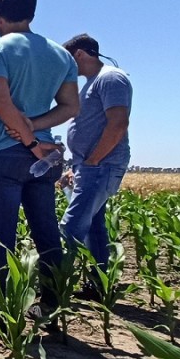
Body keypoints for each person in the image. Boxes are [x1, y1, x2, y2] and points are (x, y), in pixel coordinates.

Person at [0, 0, 79, 325]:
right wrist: (36, 128)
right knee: (46, 230)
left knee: (0, 234)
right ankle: (52, 302)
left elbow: (3, 107)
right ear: (32, 13)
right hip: (45, 156)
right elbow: (70, 107)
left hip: (4, 154)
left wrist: (27, 138)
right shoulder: (61, 55)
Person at [59, 34, 133, 298]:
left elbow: (118, 124)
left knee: (70, 228)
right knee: (94, 227)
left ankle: (52, 289)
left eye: (68, 59)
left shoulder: (111, 78)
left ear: (79, 54)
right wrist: (78, 165)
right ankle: (99, 285)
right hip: (90, 165)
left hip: (100, 165)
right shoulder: (93, 82)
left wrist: (92, 161)